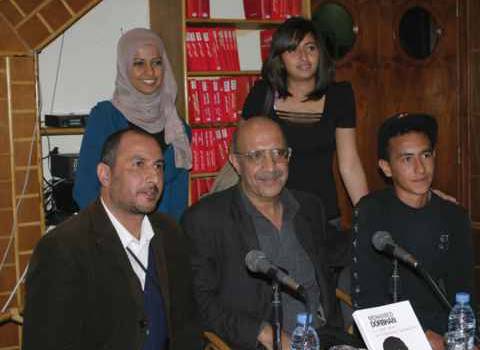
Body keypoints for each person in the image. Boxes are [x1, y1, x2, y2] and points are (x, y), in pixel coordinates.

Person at [351, 114, 480, 350]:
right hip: (393, 330)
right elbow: (369, 299)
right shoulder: (373, 211)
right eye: (407, 159)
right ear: (386, 168)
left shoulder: (454, 216)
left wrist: (470, 336)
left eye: (426, 155)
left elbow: (464, 290)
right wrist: (424, 336)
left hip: (447, 326)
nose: (420, 168)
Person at [181, 117, 355, 350]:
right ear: (235, 162)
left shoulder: (309, 207)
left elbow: (338, 253)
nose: (271, 167)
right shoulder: (206, 219)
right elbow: (199, 302)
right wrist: (260, 331)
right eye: (256, 156)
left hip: (324, 338)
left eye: (278, 153)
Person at [23, 128, 200, 350]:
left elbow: (187, 326)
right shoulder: (63, 248)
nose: (153, 177)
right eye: (138, 164)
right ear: (105, 175)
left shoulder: (170, 232)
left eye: (158, 166)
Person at [242, 17, 368, 223]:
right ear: (280, 58)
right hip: (269, 215)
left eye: (310, 48)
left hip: (322, 215)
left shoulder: (340, 96)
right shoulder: (261, 95)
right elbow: (242, 155)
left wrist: (368, 216)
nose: (304, 57)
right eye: (293, 50)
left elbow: (350, 164)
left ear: (320, 53)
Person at [74, 28, 191, 220]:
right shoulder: (106, 117)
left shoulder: (177, 128)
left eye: (156, 63)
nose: (150, 72)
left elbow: (179, 198)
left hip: (161, 238)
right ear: (124, 66)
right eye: (139, 63)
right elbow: (85, 188)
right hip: (113, 235)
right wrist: (117, 235)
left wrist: (170, 238)